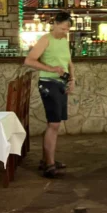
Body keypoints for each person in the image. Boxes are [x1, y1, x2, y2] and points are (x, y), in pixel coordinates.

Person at [24, 12, 74, 178]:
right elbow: (29, 60)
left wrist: (72, 79)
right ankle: (49, 164)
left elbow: (69, 62)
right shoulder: (46, 39)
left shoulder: (64, 41)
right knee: (54, 124)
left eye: (67, 29)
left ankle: (47, 160)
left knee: (55, 124)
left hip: (61, 84)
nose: (64, 32)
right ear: (55, 24)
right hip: (48, 83)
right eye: (62, 28)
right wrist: (51, 69)